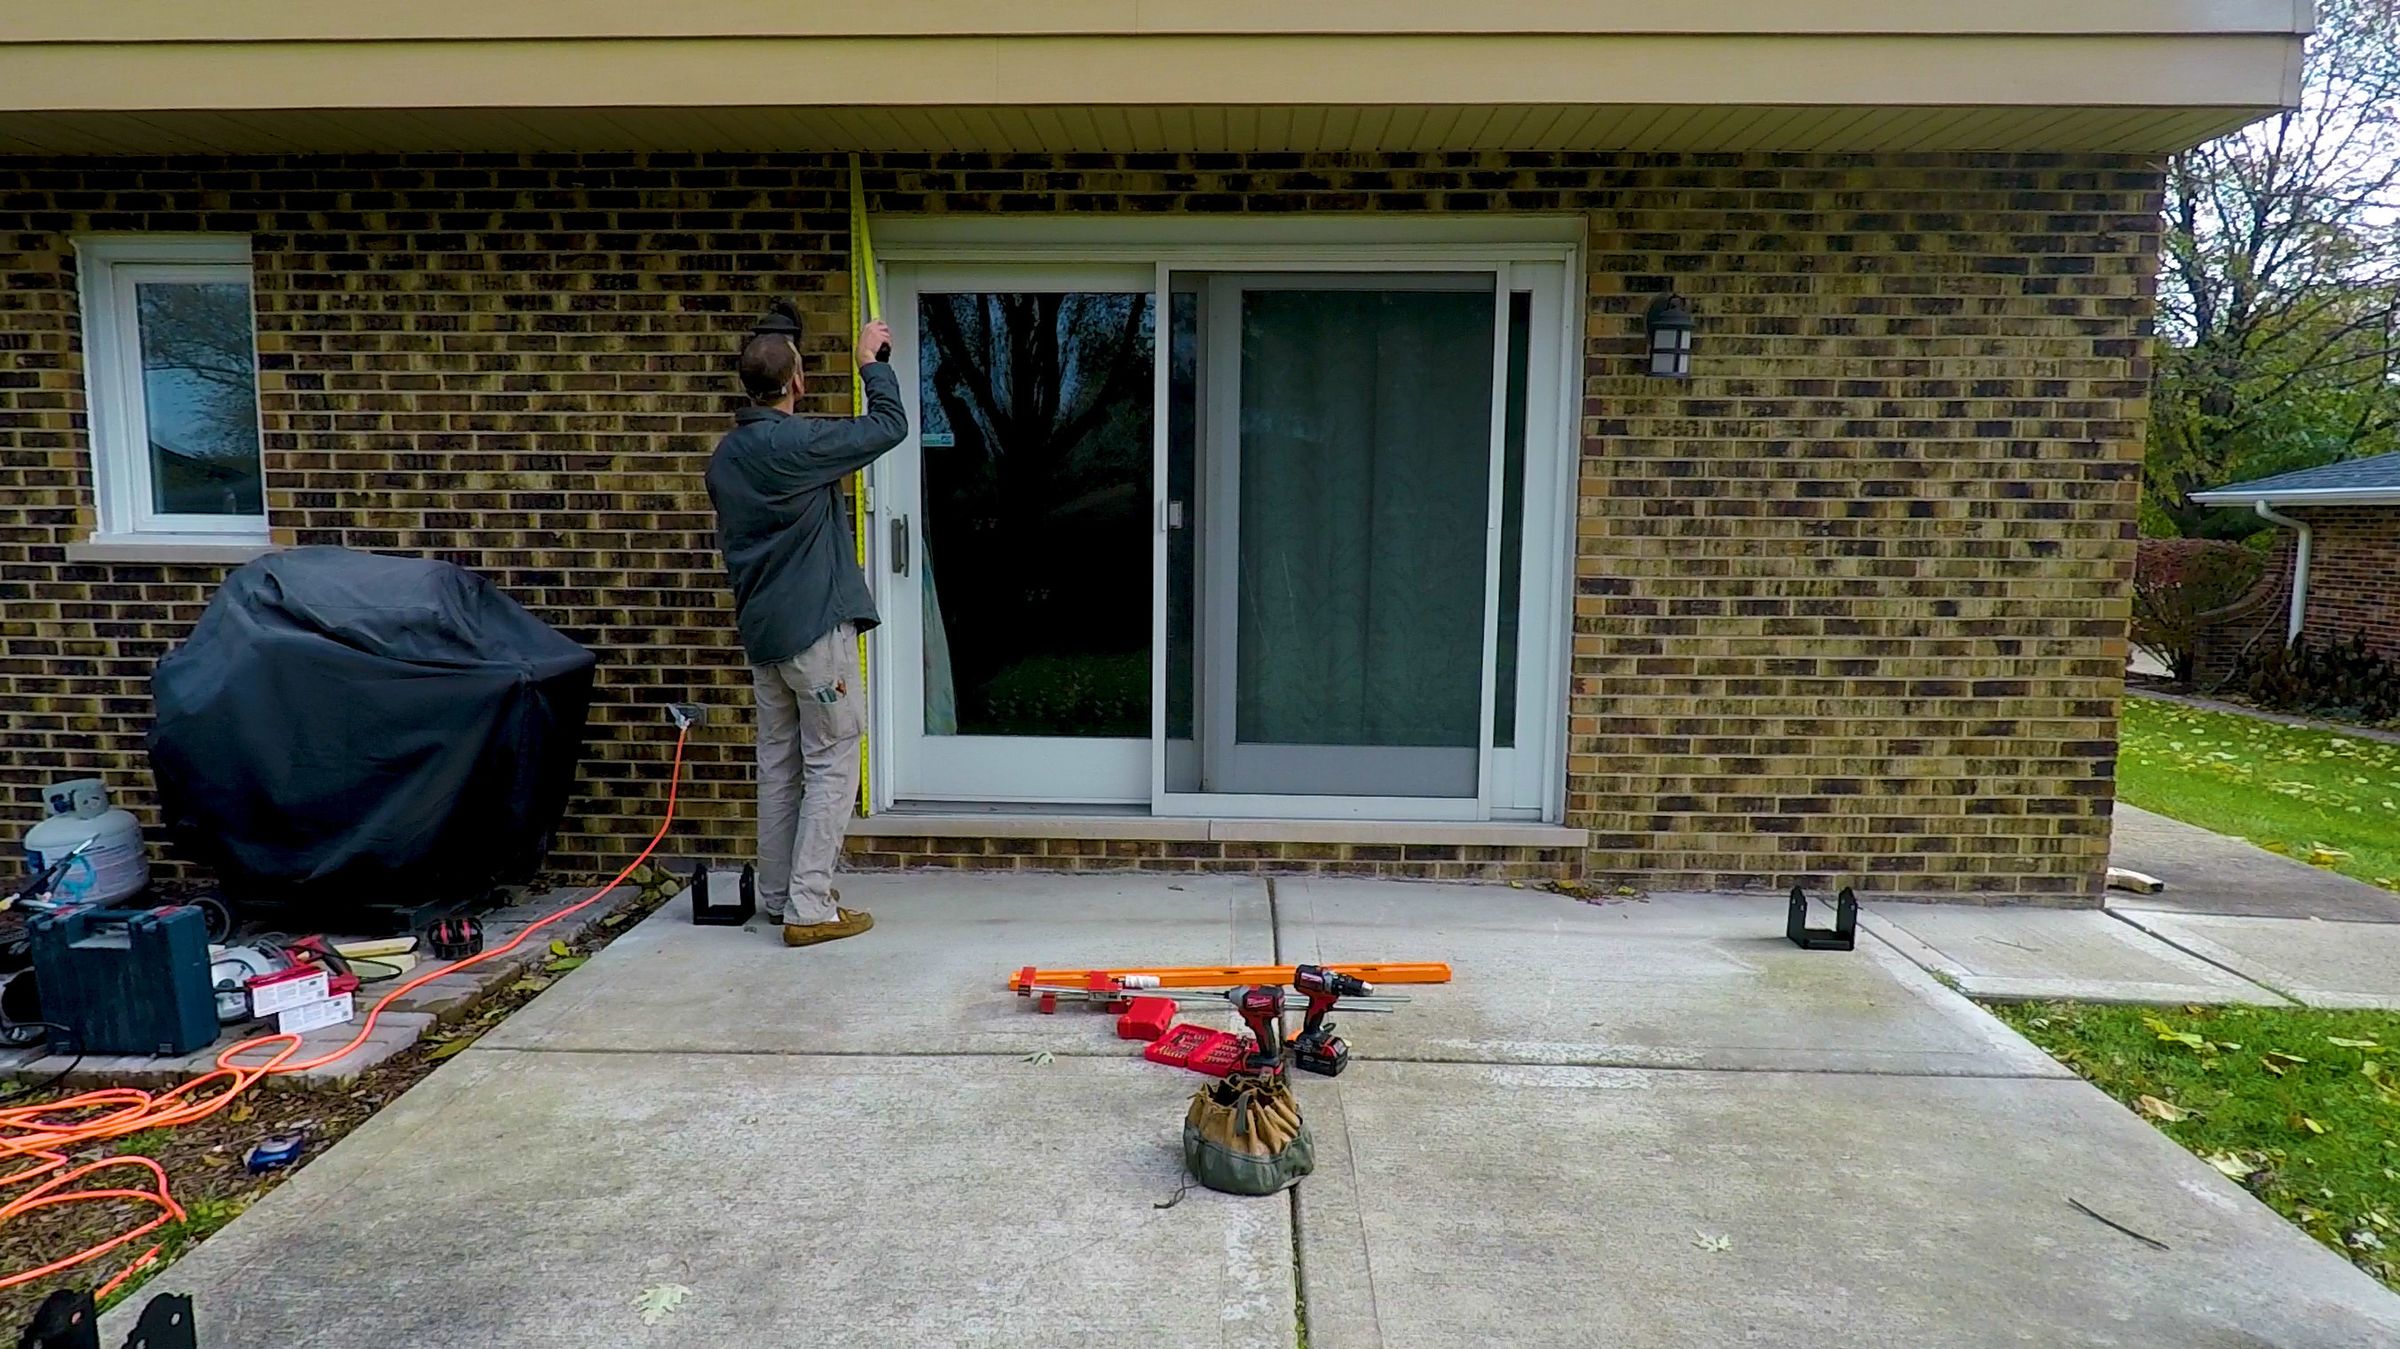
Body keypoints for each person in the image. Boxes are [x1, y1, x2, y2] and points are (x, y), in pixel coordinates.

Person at [706, 302, 906, 946]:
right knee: (831, 762)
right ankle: (810, 907)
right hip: (815, 636)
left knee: (779, 765)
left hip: (764, 635)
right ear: (796, 383)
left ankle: (778, 895)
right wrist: (871, 363)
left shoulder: (727, 458)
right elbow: (887, 427)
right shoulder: (796, 445)